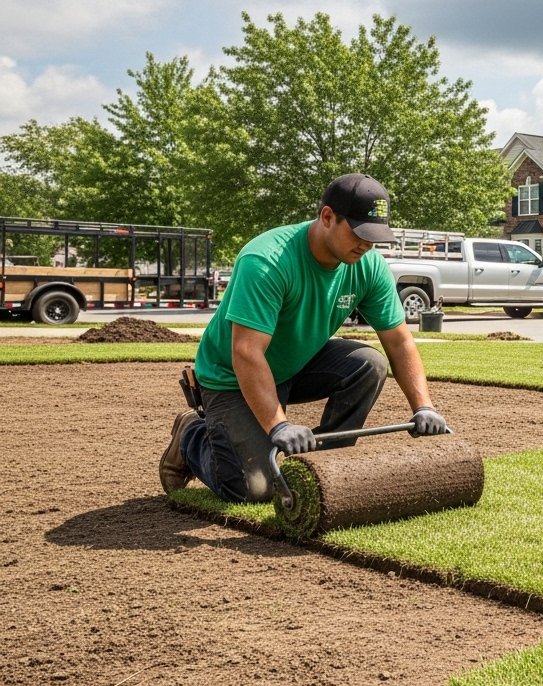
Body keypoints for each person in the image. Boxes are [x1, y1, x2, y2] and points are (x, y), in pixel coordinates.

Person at [159, 173, 450, 502]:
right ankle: (191, 437)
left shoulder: (367, 264)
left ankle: (324, 467)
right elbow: (246, 353)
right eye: (359, 233)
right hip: (232, 377)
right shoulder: (267, 261)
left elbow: (399, 342)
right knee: (255, 489)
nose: (367, 245)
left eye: (375, 237)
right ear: (327, 217)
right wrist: (278, 425)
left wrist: (423, 407)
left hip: (295, 363)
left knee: (369, 364)